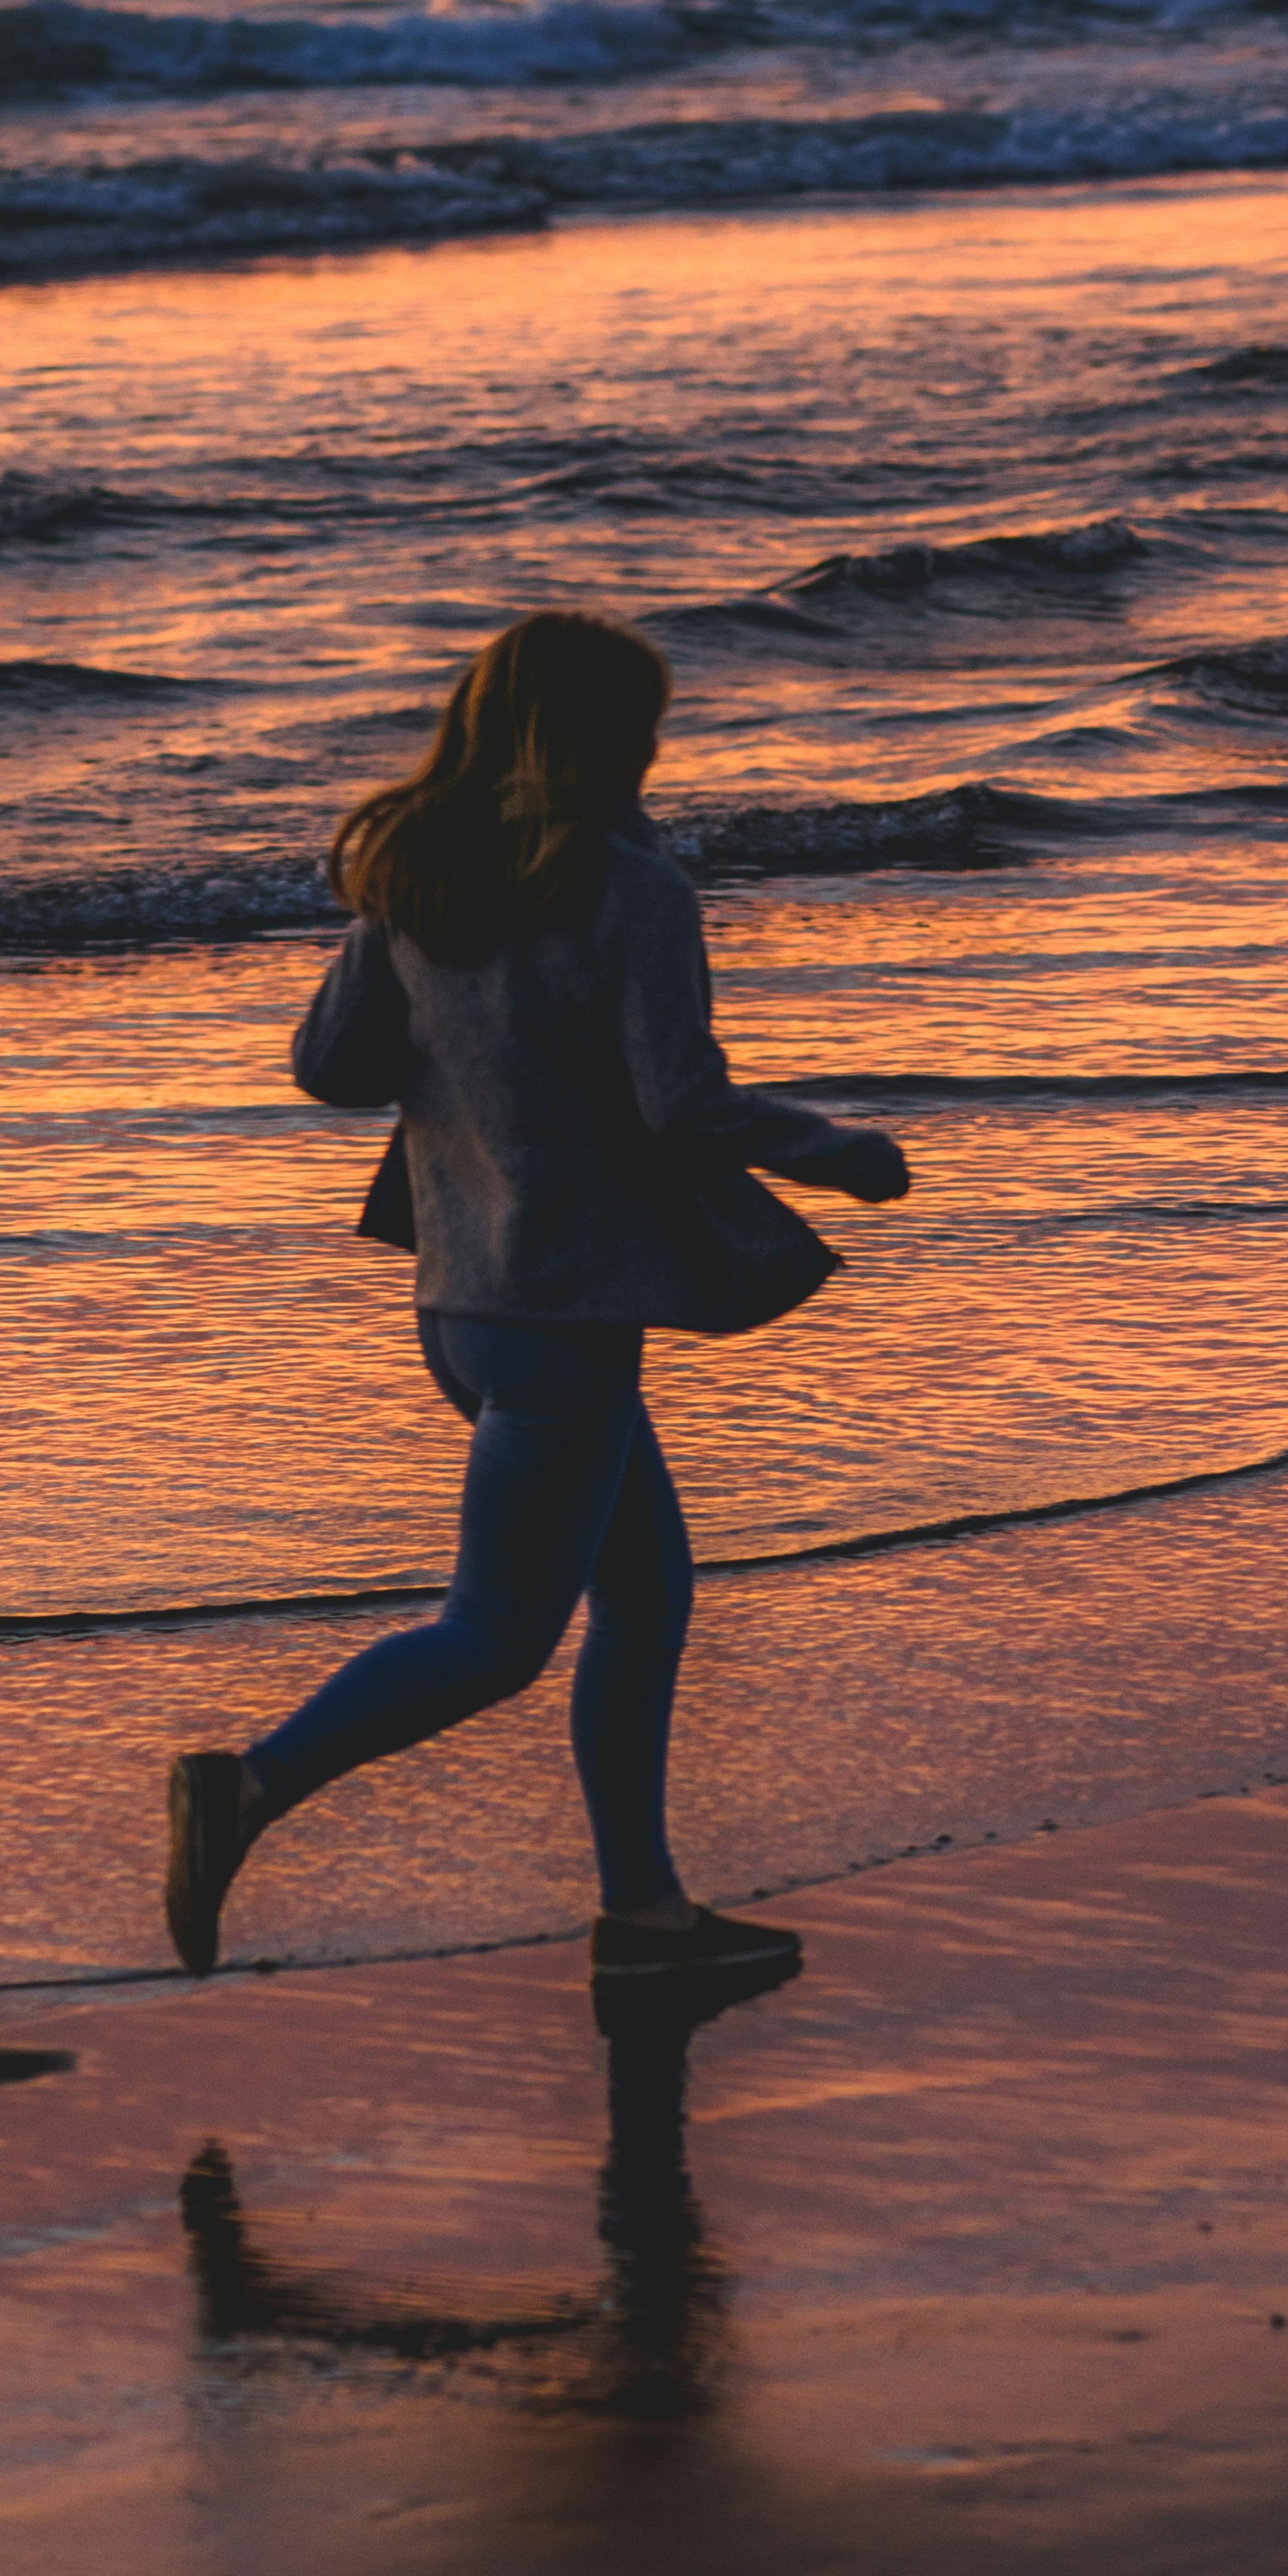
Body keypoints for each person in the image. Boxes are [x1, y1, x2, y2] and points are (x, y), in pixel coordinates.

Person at [162, 610, 909, 1995]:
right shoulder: (631, 889)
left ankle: (646, 1912)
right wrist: (841, 1152)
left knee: (646, 1595)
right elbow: (679, 1102)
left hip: (461, 1300)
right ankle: (248, 1787)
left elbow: (330, 1069)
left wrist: (438, 992)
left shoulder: (419, 873)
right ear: (607, 738)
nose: (653, 751)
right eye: (645, 726)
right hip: (563, 1316)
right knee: (497, 1635)